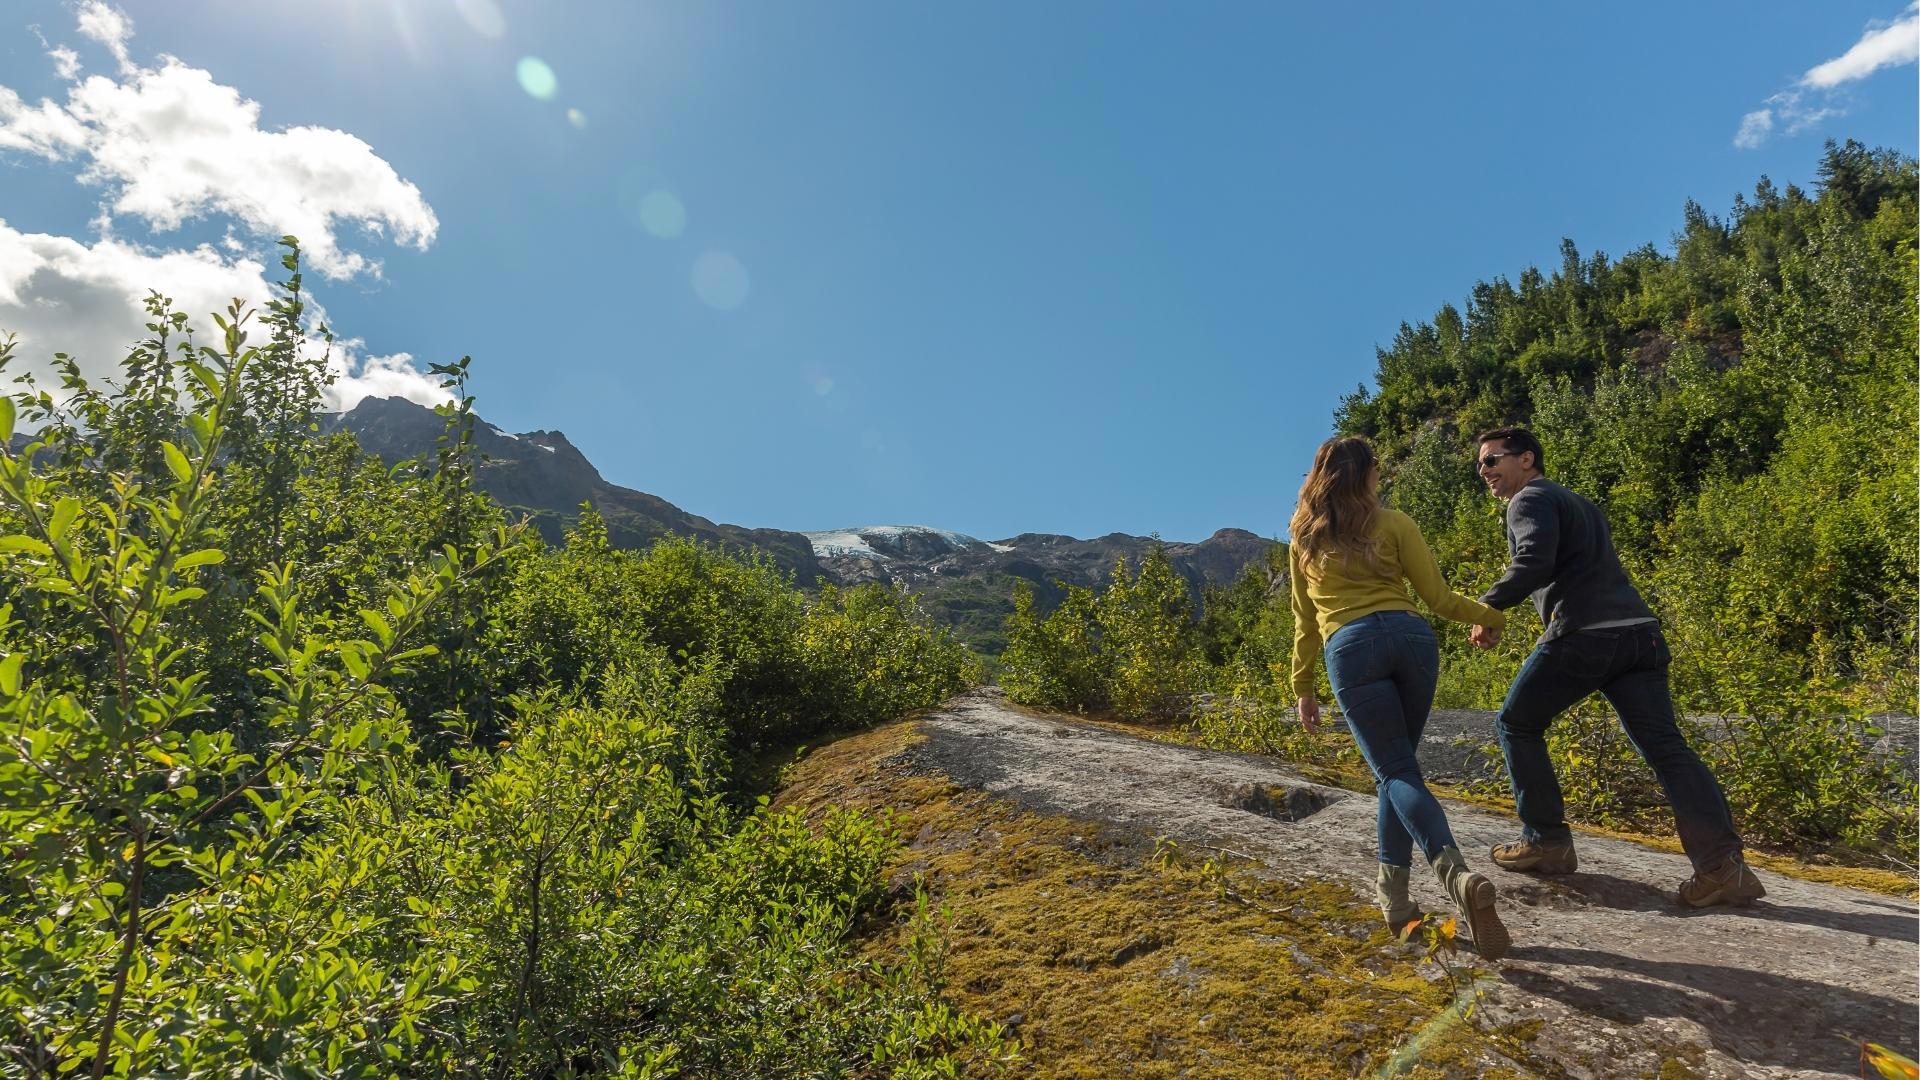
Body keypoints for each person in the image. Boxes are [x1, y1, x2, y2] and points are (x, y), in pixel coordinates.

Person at [1469, 426, 1763, 908]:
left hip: (1587, 634)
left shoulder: (1529, 499)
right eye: (1481, 465)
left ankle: (1547, 841)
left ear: (1526, 459)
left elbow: (1534, 562)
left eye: (1492, 461)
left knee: (1516, 723)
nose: (1485, 472)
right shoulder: (1577, 502)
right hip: (1641, 636)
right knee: (1667, 748)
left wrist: (1486, 608)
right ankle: (1722, 867)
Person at [1289, 436, 1511, 959]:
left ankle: (1455, 876)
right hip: (1412, 640)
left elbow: (1303, 624)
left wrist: (1303, 687)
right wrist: (1491, 615)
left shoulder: (1304, 539)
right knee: (1397, 770)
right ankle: (1394, 899)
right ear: (1368, 475)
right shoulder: (1396, 524)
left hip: (1351, 647)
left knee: (1395, 772)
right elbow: (1436, 598)